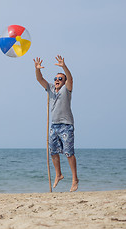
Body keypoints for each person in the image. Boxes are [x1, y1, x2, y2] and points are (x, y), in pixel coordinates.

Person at [33, 55, 79, 192]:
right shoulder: (51, 89)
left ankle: (75, 179)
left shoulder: (67, 90)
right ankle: (58, 174)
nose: (57, 80)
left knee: (69, 153)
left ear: (64, 82)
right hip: (54, 125)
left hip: (66, 125)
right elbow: (39, 79)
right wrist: (37, 69)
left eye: (60, 79)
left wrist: (64, 66)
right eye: (56, 78)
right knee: (53, 151)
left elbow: (71, 79)